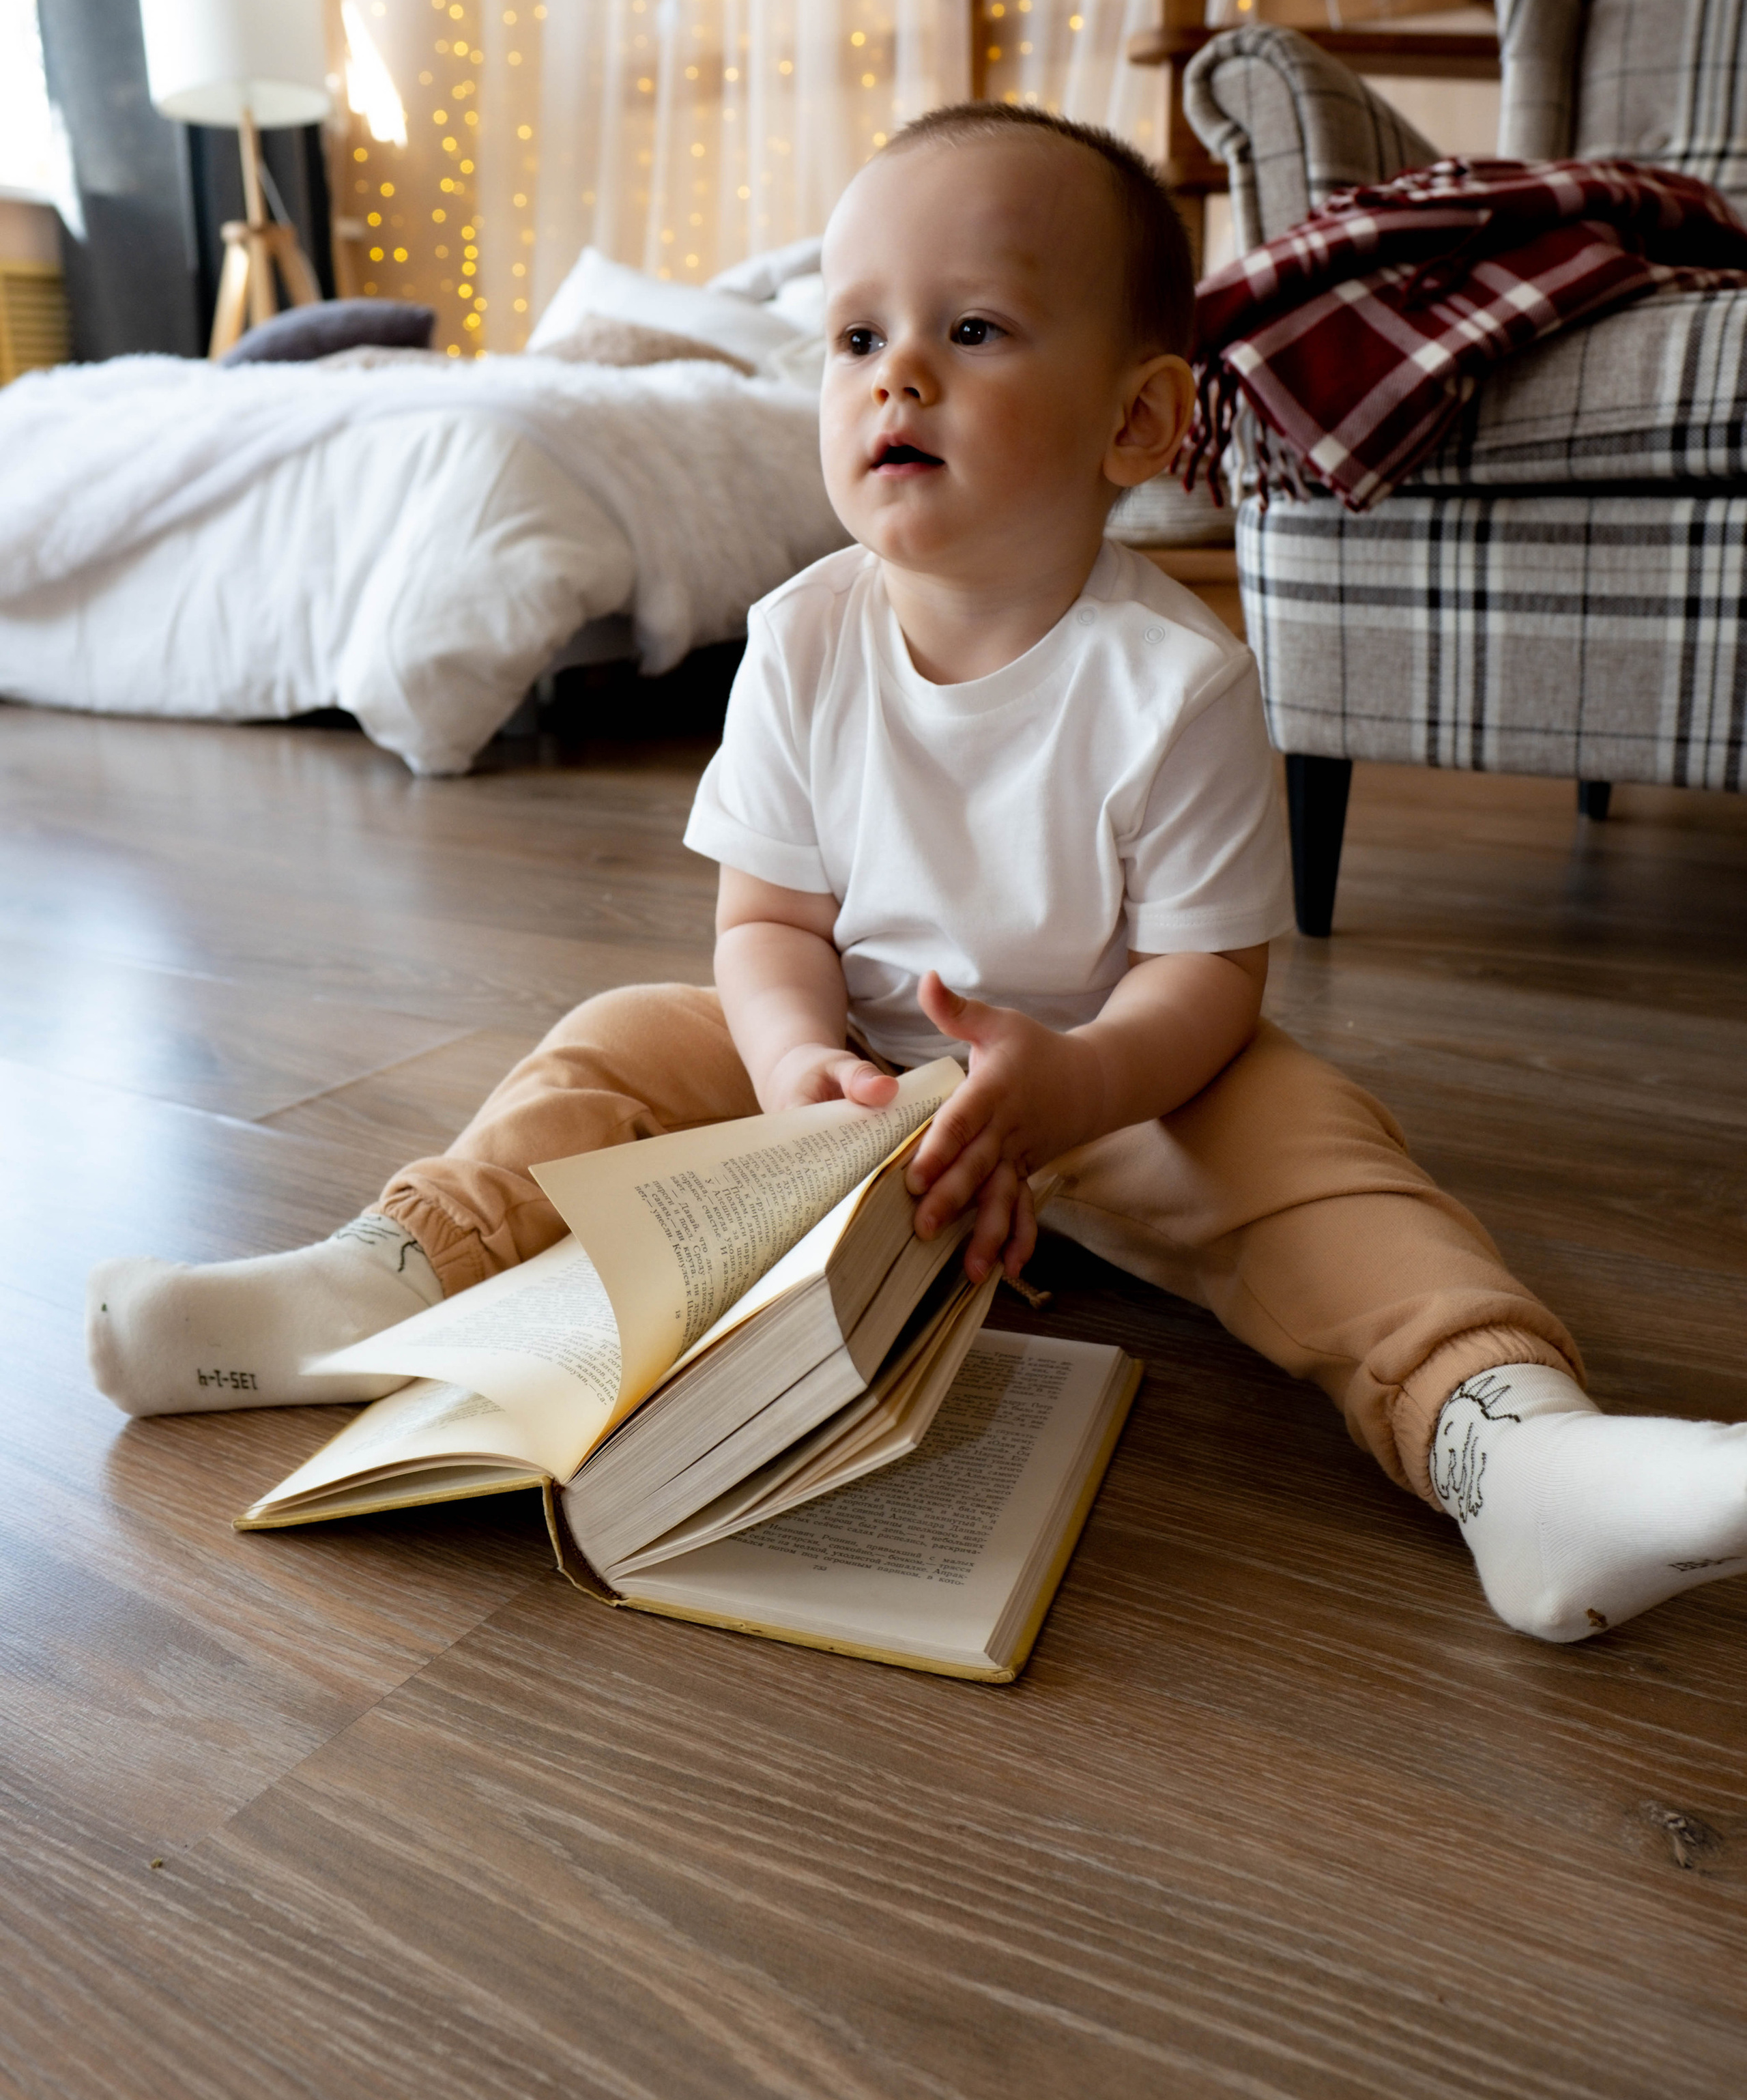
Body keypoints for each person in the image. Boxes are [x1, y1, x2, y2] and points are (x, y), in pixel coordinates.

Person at [87, 102, 1747, 1646]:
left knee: (1316, 1145)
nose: (896, 381)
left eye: (970, 332)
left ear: (1138, 419)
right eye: (856, 338)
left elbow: (1207, 983)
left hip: (1114, 1094)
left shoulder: (1173, 685)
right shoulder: (802, 638)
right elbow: (765, 920)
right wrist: (790, 1062)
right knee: (611, 1040)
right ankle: (369, 1292)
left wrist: (1069, 1083)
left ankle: (1508, 1450)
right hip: (856, 1091)